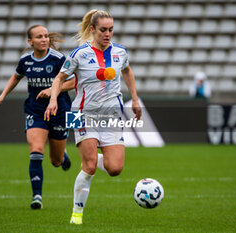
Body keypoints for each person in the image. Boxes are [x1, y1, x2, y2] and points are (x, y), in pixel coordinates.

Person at [44, 10, 142, 224]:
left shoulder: (120, 52)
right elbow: (60, 78)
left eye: (111, 30)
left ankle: (89, 156)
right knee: (89, 167)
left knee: (114, 169)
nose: (108, 34)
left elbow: (127, 71)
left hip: (111, 115)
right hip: (80, 113)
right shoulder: (80, 54)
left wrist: (134, 99)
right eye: (103, 30)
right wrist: (53, 100)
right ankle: (76, 214)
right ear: (93, 30)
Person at [0, 24, 75, 210]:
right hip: (35, 111)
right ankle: (37, 196)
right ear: (30, 41)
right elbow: (16, 76)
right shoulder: (26, 61)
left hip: (59, 111)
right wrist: (3, 94)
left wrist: (52, 89)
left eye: (46, 36)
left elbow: (74, 81)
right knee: (36, 150)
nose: (44, 39)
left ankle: (62, 156)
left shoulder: (58, 59)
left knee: (55, 161)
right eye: (39, 37)